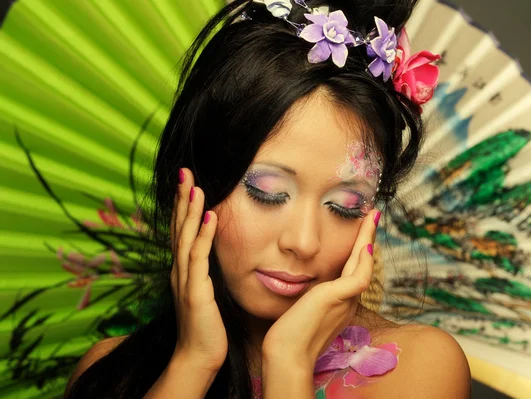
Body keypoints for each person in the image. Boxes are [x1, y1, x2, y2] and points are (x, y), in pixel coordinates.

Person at [64, 0, 471, 397]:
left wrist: (290, 364)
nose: (304, 241)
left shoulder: (418, 370)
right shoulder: (110, 375)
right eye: (269, 193)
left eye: (344, 205)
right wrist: (193, 362)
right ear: (195, 183)